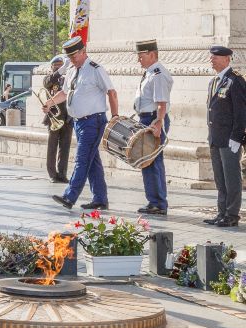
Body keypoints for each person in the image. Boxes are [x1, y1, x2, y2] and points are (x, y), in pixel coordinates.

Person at [44, 37, 119, 210]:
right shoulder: (71, 70)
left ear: (83, 51)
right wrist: (50, 103)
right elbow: (64, 93)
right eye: (69, 57)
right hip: (79, 122)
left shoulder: (95, 69)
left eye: (74, 56)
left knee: (82, 159)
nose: (72, 60)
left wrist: (115, 116)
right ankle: (100, 198)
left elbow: (112, 93)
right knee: (92, 162)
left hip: (93, 120)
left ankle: (70, 196)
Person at [205, 45, 246, 227]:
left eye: (216, 57)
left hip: (230, 139)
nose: (212, 59)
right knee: (220, 179)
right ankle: (221, 212)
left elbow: (241, 112)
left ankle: (232, 215)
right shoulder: (214, 81)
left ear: (227, 59)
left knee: (232, 178)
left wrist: (237, 137)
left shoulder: (235, 81)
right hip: (215, 138)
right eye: (212, 57)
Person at [132, 39, 172, 215]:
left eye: (141, 56)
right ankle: (154, 200)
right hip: (147, 119)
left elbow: (162, 103)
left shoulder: (158, 74)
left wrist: (158, 123)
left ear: (152, 54)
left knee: (152, 162)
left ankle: (158, 202)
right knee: (148, 162)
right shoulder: (150, 72)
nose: (139, 59)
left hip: (153, 119)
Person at [43, 55, 72, 183]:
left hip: (68, 116)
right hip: (54, 116)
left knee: (65, 147)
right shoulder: (49, 79)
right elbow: (49, 82)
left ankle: (62, 173)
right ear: (52, 67)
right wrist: (62, 70)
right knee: (52, 146)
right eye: (56, 66)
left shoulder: (68, 79)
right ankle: (52, 174)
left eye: (61, 65)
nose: (59, 68)